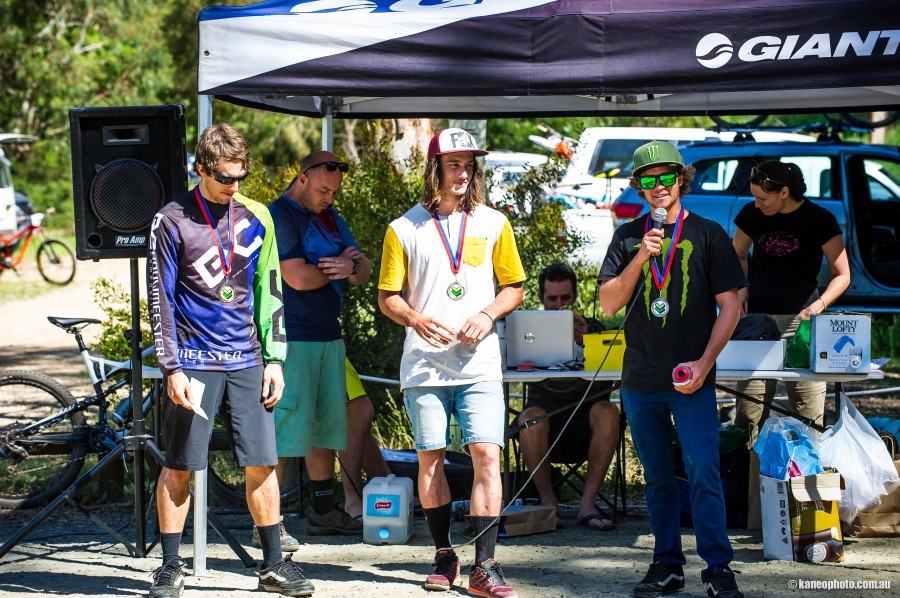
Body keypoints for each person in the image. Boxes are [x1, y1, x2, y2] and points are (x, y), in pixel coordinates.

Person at [147, 123, 313, 598]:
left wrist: (276, 359)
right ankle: (171, 567)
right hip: (194, 359)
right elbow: (160, 299)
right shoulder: (172, 219)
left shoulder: (257, 214)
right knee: (180, 462)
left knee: (263, 461)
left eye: (240, 177)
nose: (233, 187)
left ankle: (274, 566)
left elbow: (271, 290)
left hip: (246, 358)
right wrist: (171, 367)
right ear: (201, 169)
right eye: (224, 178)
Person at [378, 128, 525, 597]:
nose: (462, 173)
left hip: (479, 362)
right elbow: (387, 298)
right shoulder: (403, 228)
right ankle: (444, 554)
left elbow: (515, 287)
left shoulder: (494, 223)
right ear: (435, 168)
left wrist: (488, 313)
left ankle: (486, 564)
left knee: (486, 455)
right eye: (453, 164)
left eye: (468, 164)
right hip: (425, 363)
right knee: (431, 462)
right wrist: (416, 318)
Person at [597, 141, 746, 598]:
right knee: (657, 476)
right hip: (641, 378)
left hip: (692, 378)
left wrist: (705, 363)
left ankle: (718, 567)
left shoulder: (708, 234)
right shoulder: (626, 237)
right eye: (648, 178)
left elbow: (732, 305)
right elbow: (607, 305)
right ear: (638, 187)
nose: (658, 186)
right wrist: (642, 256)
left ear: (682, 179)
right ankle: (666, 563)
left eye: (667, 177)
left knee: (703, 470)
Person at [269, 151, 372, 536]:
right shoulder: (279, 216)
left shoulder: (331, 218)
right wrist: (339, 268)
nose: (329, 198)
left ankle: (324, 509)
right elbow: (296, 277)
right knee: (284, 431)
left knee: (325, 427)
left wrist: (349, 267)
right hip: (291, 337)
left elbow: (363, 270)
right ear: (302, 179)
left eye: (335, 192)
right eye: (324, 190)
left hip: (330, 335)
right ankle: (269, 521)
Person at [732, 160, 850, 444]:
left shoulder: (820, 219)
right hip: (757, 324)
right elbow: (737, 254)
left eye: (762, 197)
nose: (757, 204)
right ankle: (746, 482)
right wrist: (741, 287)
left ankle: (804, 479)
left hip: (802, 325)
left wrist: (818, 306)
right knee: (749, 413)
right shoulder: (751, 214)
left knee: (808, 413)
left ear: (784, 192)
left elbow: (843, 275)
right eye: (754, 197)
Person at [517, 263, 619, 531]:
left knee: (608, 411)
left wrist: (588, 341)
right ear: (540, 298)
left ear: (575, 297)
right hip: (545, 422)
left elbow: (611, 377)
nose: (559, 305)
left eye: (565, 298)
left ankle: (587, 504)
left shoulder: (595, 328)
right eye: (552, 299)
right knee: (529, 418)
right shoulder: (525, 330)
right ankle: (549, 501)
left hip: (587, 423)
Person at [340, 358, 393, 519]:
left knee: (357, 421)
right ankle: (352, 501)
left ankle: (389, 490)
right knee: (360, 411)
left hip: (328, 341)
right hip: (310, 341)